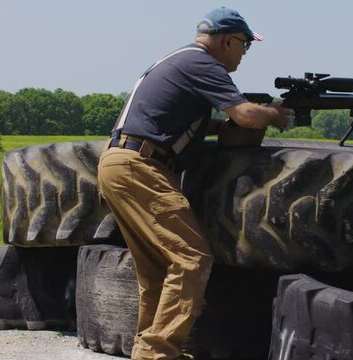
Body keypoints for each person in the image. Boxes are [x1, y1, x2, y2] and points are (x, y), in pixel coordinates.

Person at [97, 7, 290, 360]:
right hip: (141, 165)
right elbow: (244, 115)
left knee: (158, 272)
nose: (243, 55)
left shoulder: (180, 62)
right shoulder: (203, 64)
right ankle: (158, 353)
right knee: (192, 258)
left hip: (122, 163)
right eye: (244, 46)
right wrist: (274, 114)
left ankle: (149, 350)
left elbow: (226, 134)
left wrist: (249, 124)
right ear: (227, 40)